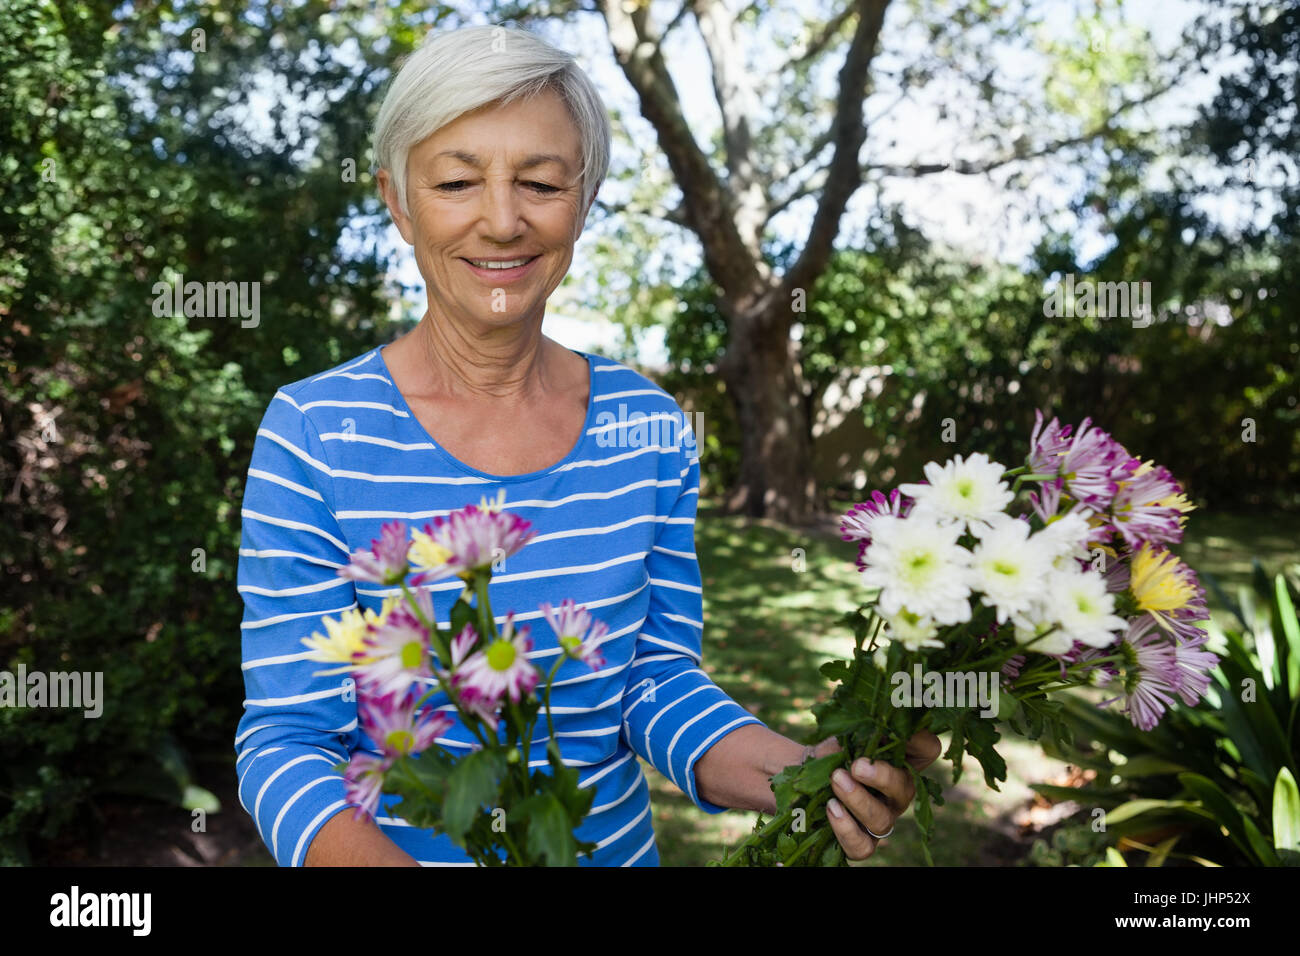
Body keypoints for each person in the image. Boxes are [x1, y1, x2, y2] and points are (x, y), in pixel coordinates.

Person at [234, 23, 940, 867]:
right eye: (457, 181)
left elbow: (650, 680)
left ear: (586, 197)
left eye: (540, 181)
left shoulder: (645, 427)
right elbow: (286, 741)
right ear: (397, 200)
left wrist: (806, 776)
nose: (502, 220)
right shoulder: (314, 433)